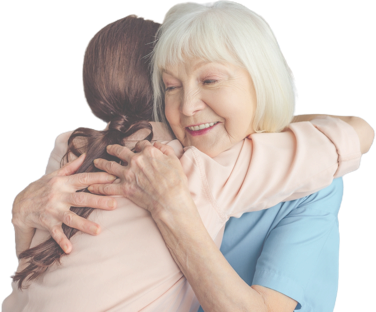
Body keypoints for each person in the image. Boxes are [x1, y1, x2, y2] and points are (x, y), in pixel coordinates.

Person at [5, 3, 373, 312]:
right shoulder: (158, 157)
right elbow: (40, 270)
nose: (187, 107)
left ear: (261, 82)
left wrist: (173, 210)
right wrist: (22, 215)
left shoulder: (311, 179)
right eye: (170, 87)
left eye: (211, 80)